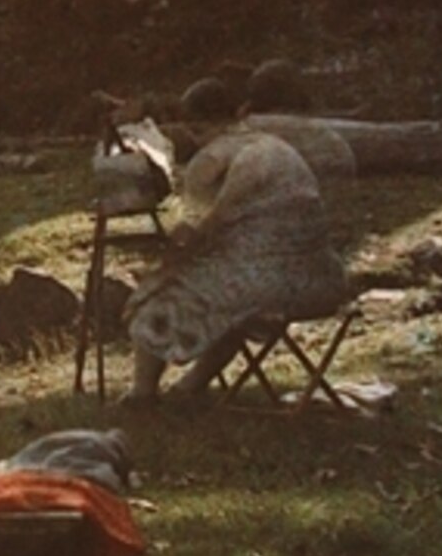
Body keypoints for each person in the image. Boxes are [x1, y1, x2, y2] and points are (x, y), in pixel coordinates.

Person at [122, 80, 349, 404]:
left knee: (156, 296)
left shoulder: (216, 157)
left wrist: (170, 249)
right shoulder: (277, 147)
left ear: (195, 126)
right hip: (322, 280)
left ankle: (142, 395)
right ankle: (189, 388)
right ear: (240, 113)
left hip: (272, 285)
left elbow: (204, 230)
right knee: (227, 302)